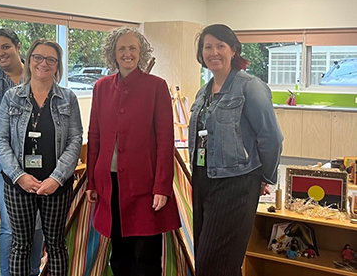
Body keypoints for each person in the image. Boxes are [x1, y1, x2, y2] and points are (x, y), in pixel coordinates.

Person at [85, 26, 181, 276]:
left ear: (142, 52)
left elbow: (164, 139)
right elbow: (94, 136)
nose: (127, 53)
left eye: (132, 48)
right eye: (122, 48)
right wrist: (91, 183)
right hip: (110, 185)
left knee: (145, 255)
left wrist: (162, 186)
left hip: (145, 186)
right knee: (119, 255)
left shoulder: (156, 86)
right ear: (113, 54)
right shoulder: (101, 88)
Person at [189, 24, 283, 276]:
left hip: (236, 183)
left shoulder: (250, 86)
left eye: (220, 45)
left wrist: (265, 177)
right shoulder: (204, 92)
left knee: (214, 265)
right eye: (207, 47)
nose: (214, 52)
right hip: (202, 181)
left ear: (233, 50)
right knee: (210, 260)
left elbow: (271, 137)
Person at [0, 39, 82, 276]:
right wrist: (18, 175)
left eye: (50, 59)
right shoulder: (12, 97)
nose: (43, 63)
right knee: (21, 245)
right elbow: (0, 139)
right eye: (38, 57)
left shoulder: (68, 98)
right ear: (29, 60)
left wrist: (57, 177)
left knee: (55, 244)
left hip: (56, 185)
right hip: (19, 185)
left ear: (57, 65)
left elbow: (75, 140)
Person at [0, 28, 44, 276]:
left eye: (5, 46)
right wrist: (6, 153)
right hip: (2, 164)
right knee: (10, 224)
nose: (0, 53)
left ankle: (33, 271)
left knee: (36, 223)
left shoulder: (40, 75)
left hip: (38, 162)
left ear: (17, 46)